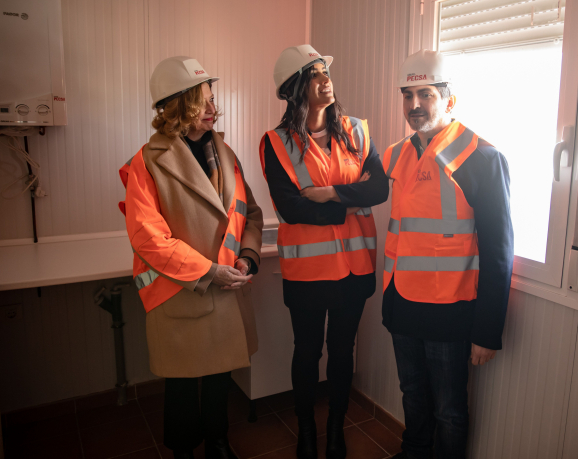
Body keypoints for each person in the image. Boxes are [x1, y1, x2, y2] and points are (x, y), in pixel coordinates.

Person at [119, 56, 263, 459]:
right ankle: (183, 451)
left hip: (226, 288)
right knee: (181, 383)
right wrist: (209, 271)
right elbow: (148, 239)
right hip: (180, 291)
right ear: (178, 105)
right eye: (204, 101)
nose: (215, 108)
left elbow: (250, 213)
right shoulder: (148, 161)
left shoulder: (226, 153)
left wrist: (247, 257)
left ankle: (218, 444)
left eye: (214, 99)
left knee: (219, 377)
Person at [382, 49, 514, 459]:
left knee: (450, 411)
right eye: (408, 95)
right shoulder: (397, 154)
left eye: (426, 94)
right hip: (403, 303)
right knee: (412, 394)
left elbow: (498, 252)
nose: (415, 104)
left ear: (449, 100)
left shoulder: (483, 159)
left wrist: (486, 331)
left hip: (451, 310)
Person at [259, 45, 389, 459]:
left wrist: (330, 193)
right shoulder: (277, 143)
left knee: (342, 352)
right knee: (307, 352)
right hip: (308, 274)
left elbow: (379, 189)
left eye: (325, 72)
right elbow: (291, 208)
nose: (324, 80)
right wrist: (350, 201)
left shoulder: (356, 132)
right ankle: (306, 430)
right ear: (294, 88)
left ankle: (335, 429)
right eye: (313, 74)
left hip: (355, 269)